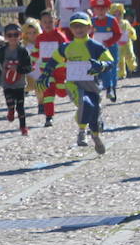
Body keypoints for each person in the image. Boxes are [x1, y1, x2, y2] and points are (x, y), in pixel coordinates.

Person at [41, 11, 113, 154]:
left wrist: (101, 65)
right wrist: (46, 74)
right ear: (71, 29)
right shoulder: (66, 47)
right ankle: (81, 131)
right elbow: (54, 60)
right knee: (84, 102)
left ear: (89, 28)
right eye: (75, 27)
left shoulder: (95, 46)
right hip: (74, 84)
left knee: (93, 112)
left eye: (82, 26)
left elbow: (110, 61)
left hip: (92, 85)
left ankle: (96, 136)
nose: (79, 30)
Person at [0, 23, 32, 135]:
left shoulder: (23, 51)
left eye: (16, 34)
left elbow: (29, 68)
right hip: (6, 83)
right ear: (5, 37)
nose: (13, 38)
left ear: (21, 36)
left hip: (20, 83)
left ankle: (23, 127)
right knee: (9, 101)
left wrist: (17, 69)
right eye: (10, 35)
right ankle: (10, 110)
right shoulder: (1, 51)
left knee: (21, 106)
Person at [34, 9, 69, 126]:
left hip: (60, 69)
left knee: (62, 92)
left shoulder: (60, 36)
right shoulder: (39, 38)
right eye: (45, 22)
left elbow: (67, 50)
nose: (47, 24)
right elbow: (35, 52)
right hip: (46, 71)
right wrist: (30, 63)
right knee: (48, 94)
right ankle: (49, 116)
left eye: (50, 22)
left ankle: (68, 90)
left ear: (55, 21)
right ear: (41, 23)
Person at [88, 0, 123, 101]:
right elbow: (88, 35)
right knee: (97, 68)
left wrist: (109, 42)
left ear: (108, 9)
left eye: (103, 8)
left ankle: (112, 87)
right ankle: (101, 88)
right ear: (94, 10)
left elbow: (118, 34)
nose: (100, 11)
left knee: (111, 68)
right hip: (97, 50)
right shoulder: (92, 22)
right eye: (98, 9)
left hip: (110, 48)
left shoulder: (112, 21)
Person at [108, 3, 138, 78]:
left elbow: (131, 29)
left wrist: (132, 34)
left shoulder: (125, 23)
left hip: (127, 43)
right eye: (115, 15)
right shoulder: (111, 24)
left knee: (130, 55)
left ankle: (132, 67)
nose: (117, 17)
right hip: (117, 45)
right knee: (120, 60)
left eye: (119, 14)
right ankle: (121, 74)